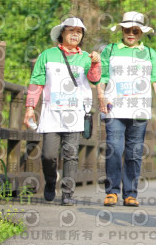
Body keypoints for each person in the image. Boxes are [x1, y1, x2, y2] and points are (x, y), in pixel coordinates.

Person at [23, 17, 101, 206]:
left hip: (75, 113)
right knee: (48, 154)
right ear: (62, 33)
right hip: (51, 113)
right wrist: (30, 108)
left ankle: (67, 193)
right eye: (71, 30)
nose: (75, 34)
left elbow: (95, 79)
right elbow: (37, 82)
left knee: (71, 154)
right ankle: (51, 181)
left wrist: (96, 64)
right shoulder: (47, 55)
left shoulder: (86, 58)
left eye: (79, 31)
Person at [96, 12, 156, 207]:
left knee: (134, 153)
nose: (131, 33)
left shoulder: (150, 53)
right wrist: (101, 95)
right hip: (114, 110)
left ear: (141, 32)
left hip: (139, 111)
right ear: (122, 30)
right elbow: (100, 77)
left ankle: (130, 193)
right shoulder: (109, 50)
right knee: (114, 149)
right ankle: (112, 191)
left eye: (135, 30)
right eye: (127, 29)